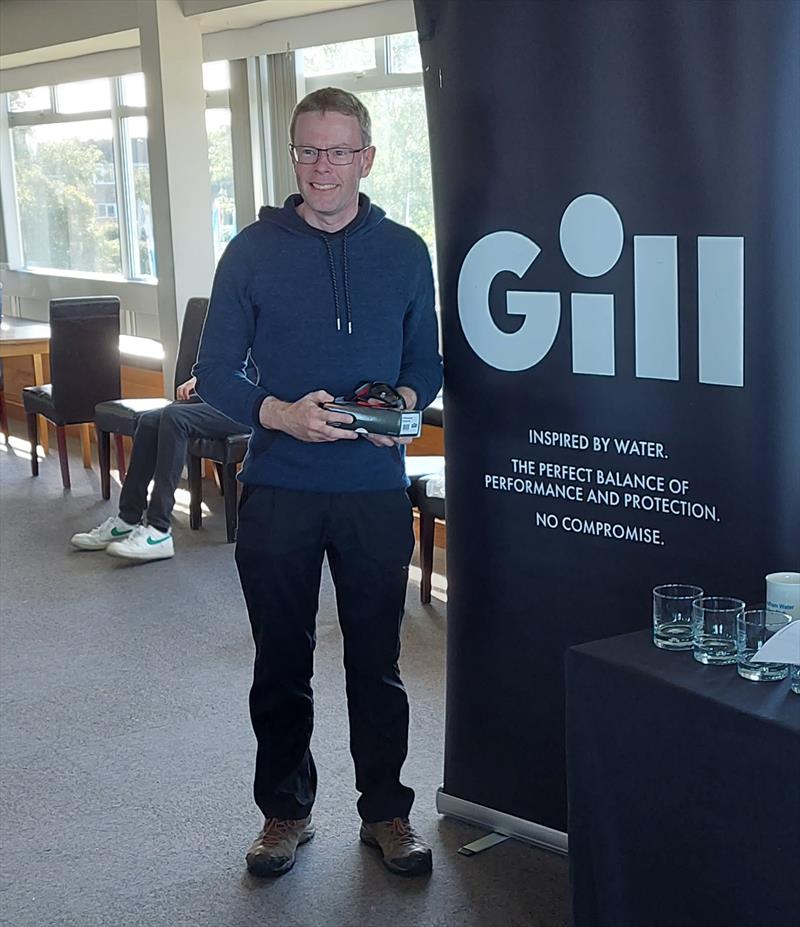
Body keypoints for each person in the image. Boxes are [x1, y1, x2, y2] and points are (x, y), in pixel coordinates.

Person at [194, 87, 442, 878]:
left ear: (368, 157)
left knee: (378, 661)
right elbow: (212, 372)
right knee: (281, 661)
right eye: (309, 151)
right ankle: (285, 813)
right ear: (293, 156)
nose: (323, 167)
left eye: (340, 151)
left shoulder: (406, 251)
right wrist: (278, 413)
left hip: (371, 489)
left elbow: (426, 365)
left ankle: (388, 813)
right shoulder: (251, 250)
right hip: (280, 486)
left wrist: (398, 402)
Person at [70, 377, 248, 561]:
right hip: (222, 398)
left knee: (175, 418)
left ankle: (159, 529)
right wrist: (199, 379)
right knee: (148, 420)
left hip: (252, 407)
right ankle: (128, 518)